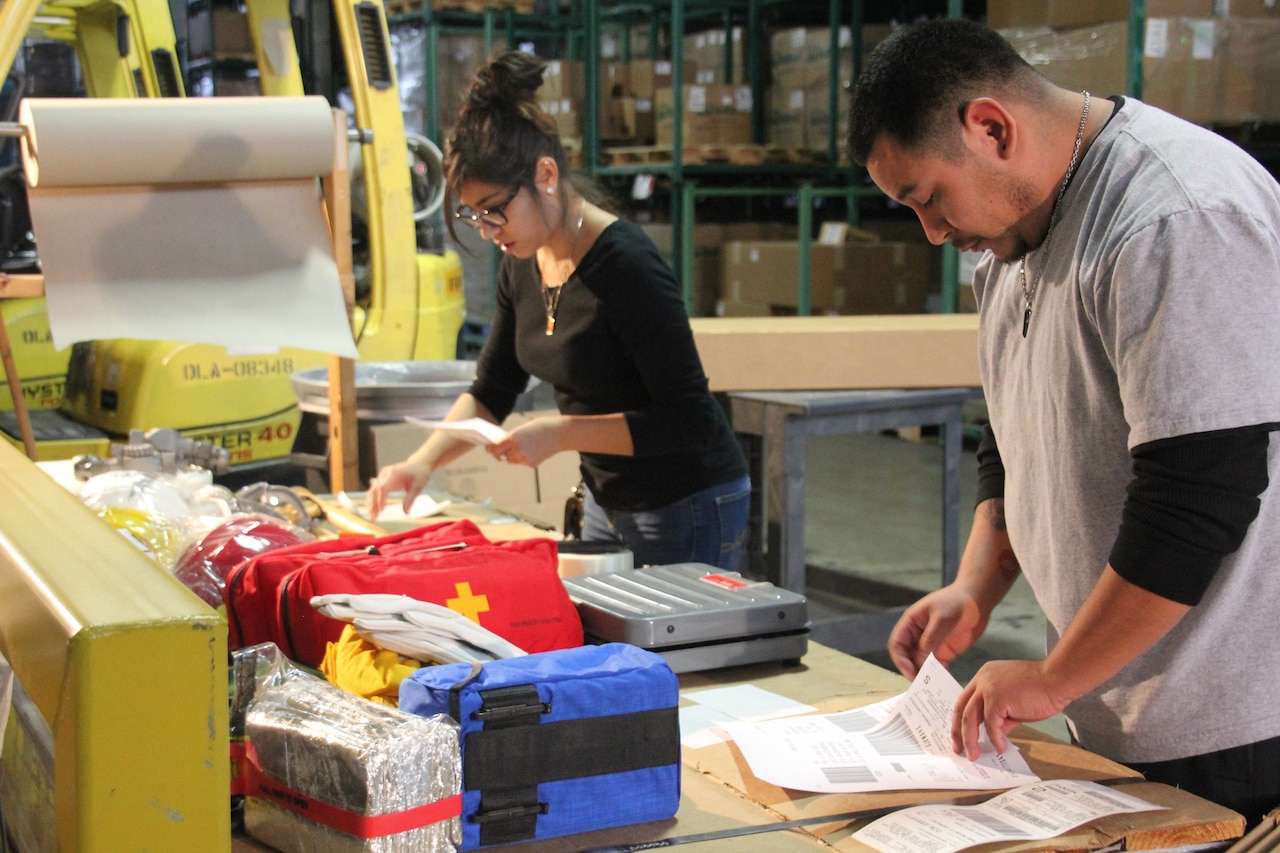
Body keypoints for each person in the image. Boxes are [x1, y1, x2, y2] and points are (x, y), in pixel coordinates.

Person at [848, 18, 1280, 823]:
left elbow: (1200, 494)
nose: (934, 232)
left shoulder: (1170, 216)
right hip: (1116, 699)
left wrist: (1052, 676)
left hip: (1232, 723)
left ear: (991, 127)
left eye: (929, 198)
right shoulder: (1010, 243)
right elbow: (1013, 430)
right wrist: (978, 584)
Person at [367, 49, 750, 571]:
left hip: (686, 501)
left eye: (495, 211)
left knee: (674, 649)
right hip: (607, 498)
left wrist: (561, 432)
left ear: (545, 175)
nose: (487, 231)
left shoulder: (625, 265)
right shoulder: (522, 261)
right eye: (474, 215)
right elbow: (492, 389)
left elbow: (688, 422)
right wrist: (420, 463)